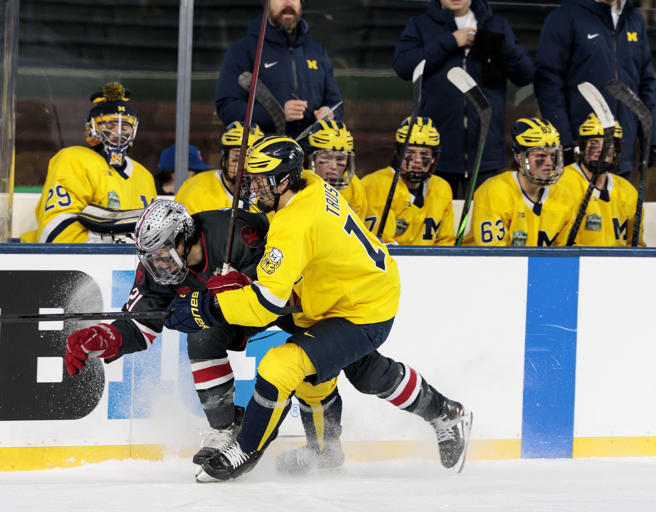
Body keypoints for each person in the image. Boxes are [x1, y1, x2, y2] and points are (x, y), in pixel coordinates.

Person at [163, 135, 472, 481]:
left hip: (359, 307)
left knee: (284, 366)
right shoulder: (309, 182)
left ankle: (244, 450)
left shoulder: (294, 224)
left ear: (283, 181)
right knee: (344, 373)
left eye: (260, 180)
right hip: (342, 293)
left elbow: (265, 307)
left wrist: (206, 306)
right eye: (250, 177)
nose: (251, 187)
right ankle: (331, 450)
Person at [64, 199, 271, 464]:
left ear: (183, 238)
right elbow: (140, 323)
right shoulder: (158, 265)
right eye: (152, 259)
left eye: (163, 255)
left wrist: (247, 281)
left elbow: (282, 267)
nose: (158, 264)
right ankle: (224, 428)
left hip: (276, 302)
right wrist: (107, 338)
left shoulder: (235, 232)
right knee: (200, 334)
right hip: (229, 315)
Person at [393, 0, 534, 199]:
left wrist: (502, 45)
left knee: (482, 219)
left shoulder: (496, 24)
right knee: (434, 220)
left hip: (485, 149)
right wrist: (450, 41)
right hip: (434, 149)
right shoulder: (420, 25)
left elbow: (525, 74)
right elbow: (403, 66)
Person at [534, 0, 656, 179]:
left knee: (618, 206)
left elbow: (646, 85)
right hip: (580, 150)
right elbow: (548, 83)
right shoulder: (564, 17)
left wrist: (651, 137)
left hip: (622, 152)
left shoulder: (634, 19)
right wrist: (563, 142)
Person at [24, 82, 157, 243]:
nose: (118, 131)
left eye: (126, 125)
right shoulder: (73, 160)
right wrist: (117, 242)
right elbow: (55, 235)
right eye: (110, 124)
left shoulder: (144, 176)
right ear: (91, 128)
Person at [215, 0, 343, 138]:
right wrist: (277, 114)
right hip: (263, 154)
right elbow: (227, 108)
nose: (288, 3)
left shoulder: (317, 51)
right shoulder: (243, 50)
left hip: (311, 153)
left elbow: (335, 102)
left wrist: (329, 113)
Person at [465, 118, 575, 246]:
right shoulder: (494, 191)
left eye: (552, 155)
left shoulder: (564, 195)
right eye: (541, 156)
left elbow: (566, 254)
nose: (549, 163)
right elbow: (493, 256)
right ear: (519, 156)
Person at [362, 117, 455, 245]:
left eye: (424, 154)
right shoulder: (375, 184)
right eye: (410, 153)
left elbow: (446, 242)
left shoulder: (442, 188)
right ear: (398, 154)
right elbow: (382, 244)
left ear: (433, 158)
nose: (417, 160)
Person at [558, 113, 644, 246]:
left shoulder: (627, 191)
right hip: (576, 264)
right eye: (593, 143)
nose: (600, 150)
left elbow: (635, 246)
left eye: (607, 144)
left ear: (616, 151)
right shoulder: (562, 183)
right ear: (582, 147)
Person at [174, 122, 264, 214]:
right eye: (237, 158)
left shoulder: (266, 194)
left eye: (252, 159)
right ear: (224, 159)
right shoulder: (196, 191)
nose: (245, 166)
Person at [301, 120, 368, 219]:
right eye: (326, 158)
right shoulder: (295, 184)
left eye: (340, 159)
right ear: (309, 158)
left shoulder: (354, 188)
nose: (333, 166)